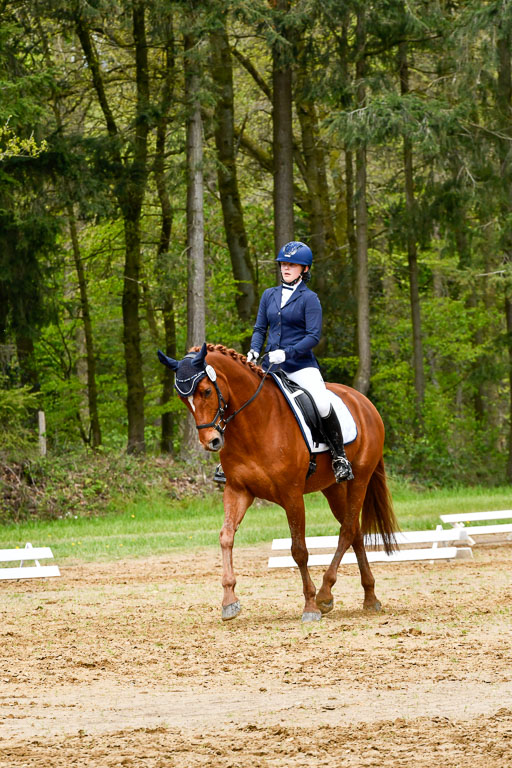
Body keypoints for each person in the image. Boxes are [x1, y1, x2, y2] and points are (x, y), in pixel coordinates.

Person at [214, 240, 353, 485]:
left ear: (304, 269)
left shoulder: (310, 299)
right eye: (283, 264)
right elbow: (260, 328)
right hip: (270, 366)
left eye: (292, 265)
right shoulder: (269, 295)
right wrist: (254, 350)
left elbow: (313, 336)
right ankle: (230, 459)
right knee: (242, 400)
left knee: (321, 403)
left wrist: (287, 353)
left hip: (301, 366)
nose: (286, 268)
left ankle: (339, 457)